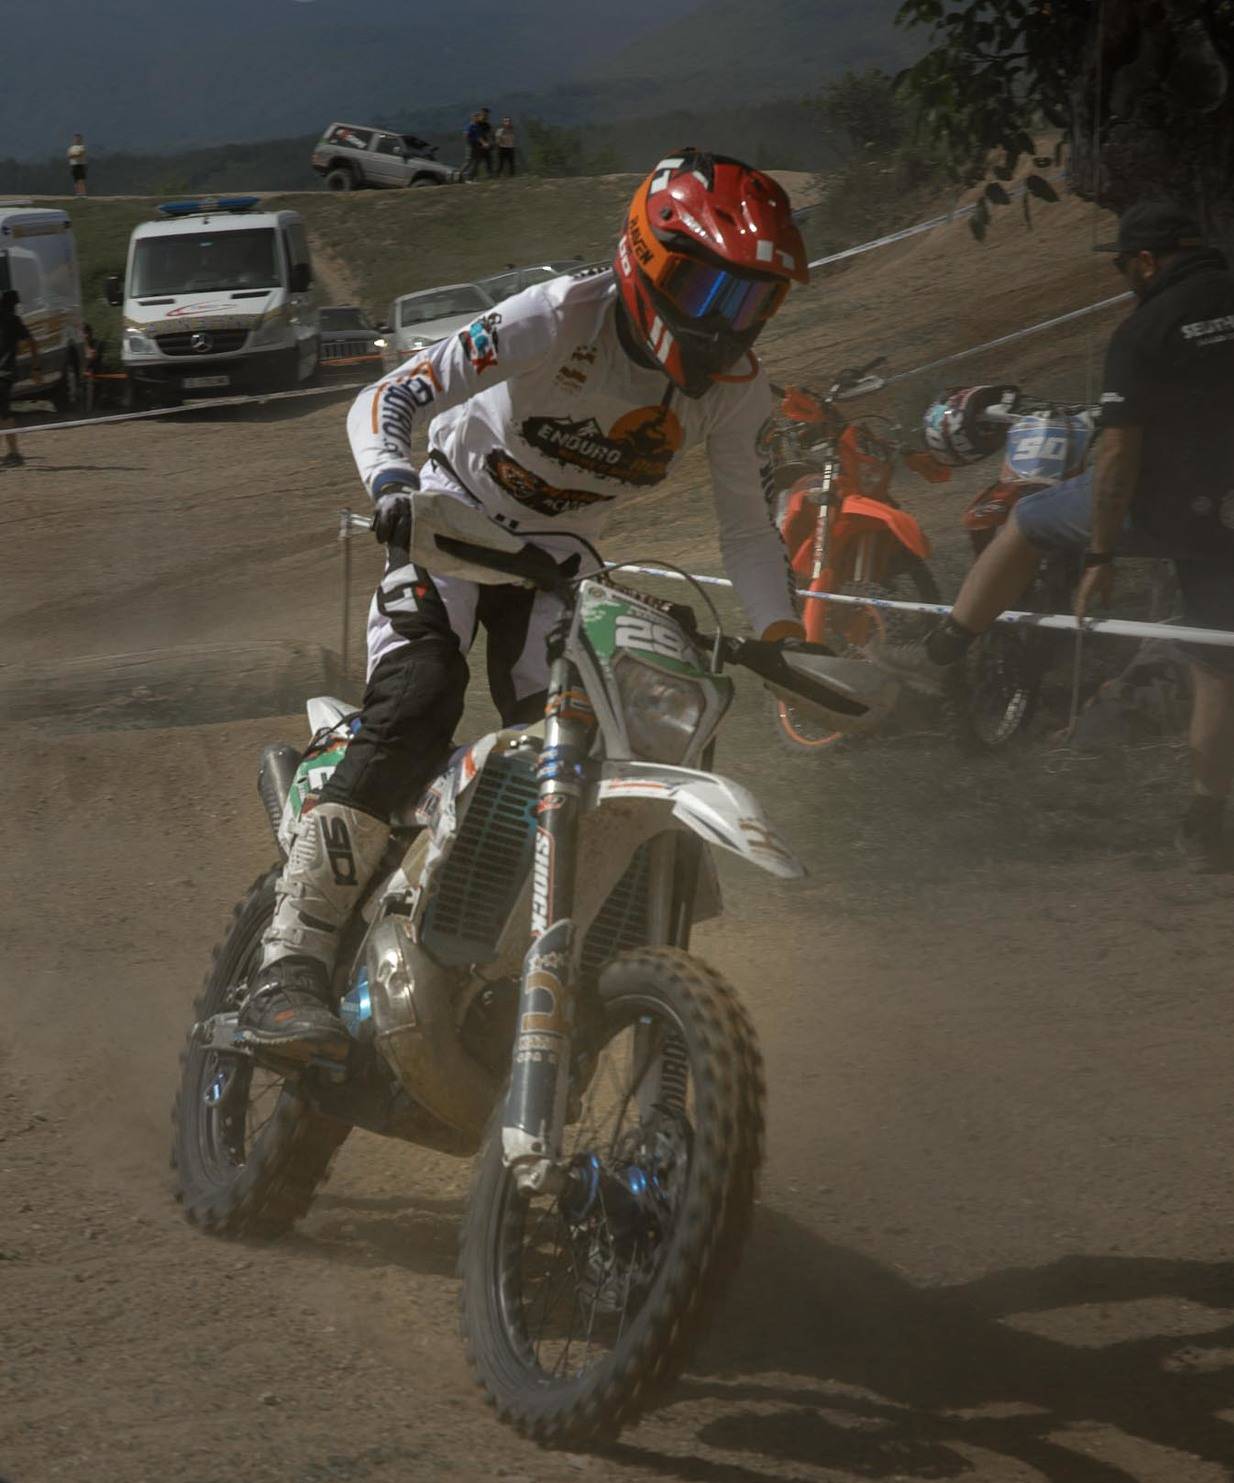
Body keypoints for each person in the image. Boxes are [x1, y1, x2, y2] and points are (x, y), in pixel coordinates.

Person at [238, 150, 810, 1062]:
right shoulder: (557, 316)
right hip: (449, 526)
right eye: (710, 290)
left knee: (588, 750)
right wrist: (391, 481)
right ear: (647, 257)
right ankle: (288, 966)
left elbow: (747, 526)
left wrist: (783, 634)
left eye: (752, 302)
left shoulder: (738, 391)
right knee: (420, 697)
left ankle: (512, 962)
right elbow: (392, 394)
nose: (726, 324)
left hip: (560, 567)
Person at [877, 201, 1234, 868]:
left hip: (1160, 504)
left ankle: (941, 653)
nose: (1125, 276)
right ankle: (1203, 827)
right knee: (1218, 661)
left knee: (1026, 521)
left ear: (1147, 262)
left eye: (1125, 265)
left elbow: (1119, 456)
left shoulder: (1145, 330)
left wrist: (1100, 555)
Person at [0, 290, 39, 468]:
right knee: (4, 414)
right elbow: (32, 342)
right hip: (6, 374)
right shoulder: (14, 321)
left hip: (3, 374)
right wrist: (36, 368)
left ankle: (14, 453)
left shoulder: (11, 321)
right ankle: (14, 453)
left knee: (4, 414)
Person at [461, 110, 493, 180]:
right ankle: (459, 174)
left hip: (477, 146)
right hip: (471, 146)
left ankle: (471, 177)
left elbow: (479, 137)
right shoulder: (470, 126)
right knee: (469, 161)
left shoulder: (478, 126)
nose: (477, 118)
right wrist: (470, 141)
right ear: (473, 118)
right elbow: (466, 135)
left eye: (478, 117)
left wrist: (485, 143)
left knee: (477, 161)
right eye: (476, 117)